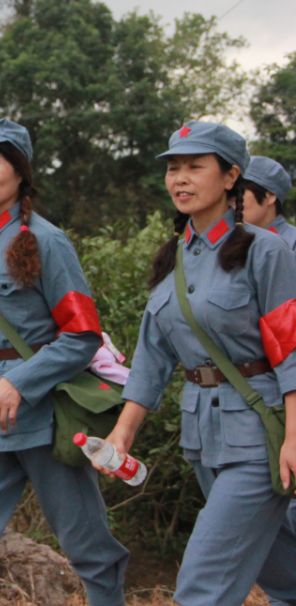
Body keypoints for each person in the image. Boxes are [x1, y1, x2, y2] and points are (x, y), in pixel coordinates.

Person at [0, 118, 128, 606]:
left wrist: (21, 381)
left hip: (43, 418)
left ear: (19, 172)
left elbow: (82, 335)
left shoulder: (47, 241)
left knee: (87, 545)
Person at [104, 122, 296, 606]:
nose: (180, 178)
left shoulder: (264, 250)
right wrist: (123, 434)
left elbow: (290, 348)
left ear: (231, 177)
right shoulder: (173, 258)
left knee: (202, 585)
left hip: (260, 439)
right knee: (285, 575)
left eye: (195, 166)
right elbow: (152, 357)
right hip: (203, 439)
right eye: (173, 168)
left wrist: (295, 435)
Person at [244, 155, 296, 250]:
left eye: (241, 191)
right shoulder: (230, 241)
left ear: (271, 197)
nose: (232, 199)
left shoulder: (292, 243)